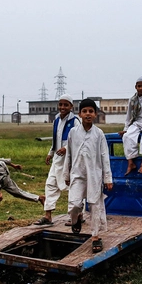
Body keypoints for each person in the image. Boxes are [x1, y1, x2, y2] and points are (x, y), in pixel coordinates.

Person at [63, 99, 113, 253]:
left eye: (91, 111)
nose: (88, 114)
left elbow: (104, 156)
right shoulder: (73, 132)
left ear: (95, 114)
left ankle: (95, 236)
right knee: (74, 204)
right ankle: (76, 218)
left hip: (94, 175)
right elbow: (68, 154)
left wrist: (107, 178)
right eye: (84, 111)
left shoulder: (99, 134)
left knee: (95, 205)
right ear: (79, 114)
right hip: (77, 173)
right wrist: (66, 174)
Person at [33, 94, 80, 226]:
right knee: (50, 184)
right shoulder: (56, 120)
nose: (62, 107)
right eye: (60, 104)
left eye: (66, 105)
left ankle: (77, 215)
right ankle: (48, 216)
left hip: (70, 160)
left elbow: (78, 140)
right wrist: (51, 153)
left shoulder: (75, 121)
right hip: (57, 159)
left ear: (71, 106)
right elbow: (55, 139)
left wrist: (66, 148)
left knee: (73, 186)